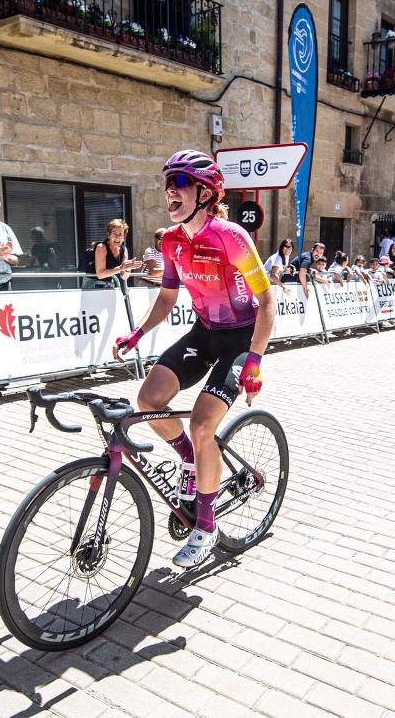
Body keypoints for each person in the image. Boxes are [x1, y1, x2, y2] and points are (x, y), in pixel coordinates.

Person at [113, 150, 275, 568]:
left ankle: (206, 526)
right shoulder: (170, 240)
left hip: (239, 336)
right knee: (148, 400)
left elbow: (267, 302)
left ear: (205, 193)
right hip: (204, 333)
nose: (170, 191)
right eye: (168, 183)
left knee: (204, 425)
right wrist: (139, 332)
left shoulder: (232, 237)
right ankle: (189, 459)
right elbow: (168, 296)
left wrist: (254, 360)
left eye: (179, 183)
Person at [81, 218, 143, 288]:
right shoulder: (101, 247)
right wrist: (120, 268)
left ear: (124, 237)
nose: (117, 237)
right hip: (92, 286)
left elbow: (124, 277)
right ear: (108, 235)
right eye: (114, 233)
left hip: (109, 286)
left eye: (120, 234)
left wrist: (128, 268)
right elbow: (100, 274)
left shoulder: (124, 250)